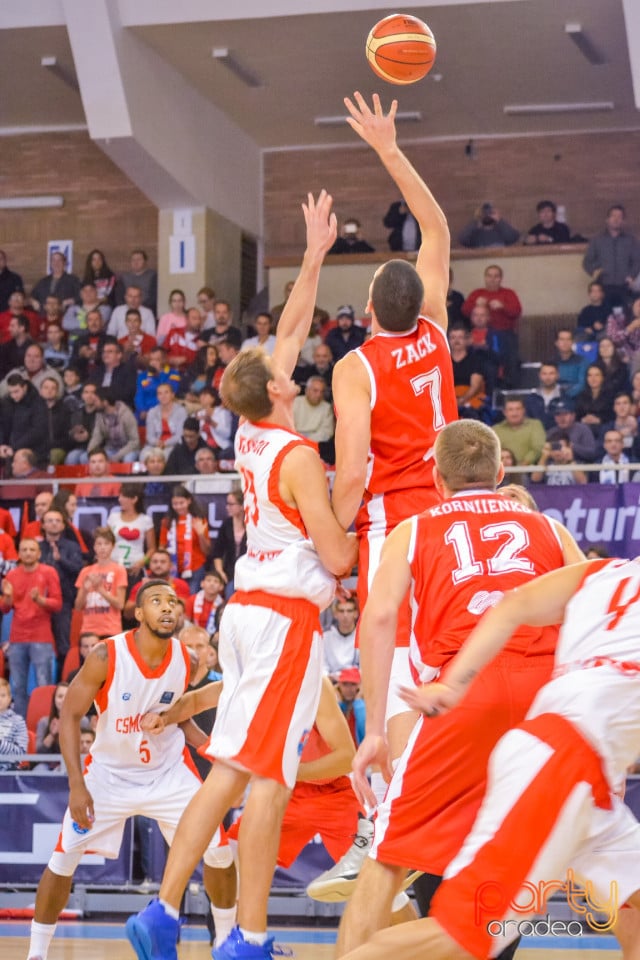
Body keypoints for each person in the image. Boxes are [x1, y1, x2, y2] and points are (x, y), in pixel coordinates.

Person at [126, 188, 357, 960]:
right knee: (265, 781)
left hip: (246, 613)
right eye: (286, 367)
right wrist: (353, 483)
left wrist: (317, 254)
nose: (293, 361)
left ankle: (162, 915)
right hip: (286, 620)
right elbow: (339, 559)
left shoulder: (252, 428)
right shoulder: (294, 453)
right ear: (282, 389)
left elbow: (289, 329)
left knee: (230, 771)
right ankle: (247, 940)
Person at [335, 419, 583, 958]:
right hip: (544, 703)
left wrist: (373, 729)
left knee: (386, 855)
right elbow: (592, 609)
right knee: (506, 860)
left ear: (436, 477)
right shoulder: (549, 528)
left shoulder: (415, 529)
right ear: (500, 471)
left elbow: (378, 620)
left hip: (463, 690)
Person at [361, 558, 640, 960]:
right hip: (563, 763)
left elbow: (514, 603)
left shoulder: (605, 572)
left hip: (565, 759)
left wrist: (453, 685)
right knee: (464, 937)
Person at [329, 92, 457, 837]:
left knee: (394, 655)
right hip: (445, 516)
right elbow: (435, 227)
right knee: (433, 657)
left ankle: (387, 815)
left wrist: (335, 527)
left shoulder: (356, 367)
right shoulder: (437, 333)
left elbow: (350, 474)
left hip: (393, 521)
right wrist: (389, 149)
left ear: (370, 309)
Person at [26, 580, 237, 960]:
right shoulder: (107, 656)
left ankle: (226, 943)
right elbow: (70, 715)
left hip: (168, 771)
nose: (168, 608)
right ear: (138, 613)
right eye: (157, 601)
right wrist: (76, 785)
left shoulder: (187, 659)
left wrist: (206, 745)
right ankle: (36, 954)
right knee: (63, 859)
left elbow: (179, 713)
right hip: (109, 775)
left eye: (173, 602)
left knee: (220, 853)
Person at [0, 539, 62, 718]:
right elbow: (5, 608)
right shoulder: (11, 575)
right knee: (17, 687)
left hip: (41, 637)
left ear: (39, 553)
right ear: (18, 554)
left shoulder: (49, 572)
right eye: (24, 549)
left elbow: (58, 603)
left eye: (32, 549)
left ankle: (44, 724)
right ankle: (21, 729)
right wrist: (9, 597)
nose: (28, 553)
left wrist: (40, 600)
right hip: (17, 637)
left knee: (44, 685)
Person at [38, 508, 84, 673]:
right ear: (43, 525)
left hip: (64, 601)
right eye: (49, 520)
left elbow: (79, 569)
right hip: (39, 603)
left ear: (64, 525)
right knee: (40, 644)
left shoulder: (71, 547)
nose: (54, 523)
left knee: (63, 643)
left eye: (57, 520)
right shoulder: (37, 547)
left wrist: (61, 560)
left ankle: (62, 683)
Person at [461, 265, 522, 389]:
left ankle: (508, 387)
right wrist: (475, 303)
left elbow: (517, 311)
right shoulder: (477, 293)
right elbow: (464, 312)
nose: (492, 279)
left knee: (509, 355)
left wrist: (503, 306)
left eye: (496, 276)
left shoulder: (508, 293)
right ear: (485, 278)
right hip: (478, 334)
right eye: (489, 276)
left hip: (504, 336)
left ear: (501, 279)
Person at [74, 527, 127, 639]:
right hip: (88, 630)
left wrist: (100, 589)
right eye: (99, 544)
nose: (102, 548)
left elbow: (120, 604)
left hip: (111, 630)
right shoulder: (85, 571)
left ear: (112, 546)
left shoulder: (119, 570)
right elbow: (78, 607)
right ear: (94, 547)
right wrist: (84, 590)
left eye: (106, 544)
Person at [583, 203, 640, 306]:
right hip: (604, 285)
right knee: (605, 316)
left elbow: (637, 260)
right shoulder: (597, 239)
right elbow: (587, 261)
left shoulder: (631, 240)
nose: (616, 219)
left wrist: (632, 276)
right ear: (607, 219)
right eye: (613, 216)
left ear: (623, 221)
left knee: (624, 317)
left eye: (619, 217)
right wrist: (593, 272)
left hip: (624, 286)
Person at [158, 485, 211, 591]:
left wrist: (200, 534)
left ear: (189, 501)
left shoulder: (198, 520)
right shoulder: (167, 522)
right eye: (175, 504)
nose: (178, 507)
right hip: (173, 569)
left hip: (195, 569)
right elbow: (162, 548)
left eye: (181, 503)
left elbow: (207, 551)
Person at [123, 548, 191, 621]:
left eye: (163, 562)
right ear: (149, 565)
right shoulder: (141, 585)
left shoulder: (180, 584)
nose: (158, 565)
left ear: (171, 565)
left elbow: (185, 612)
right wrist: (144, 595)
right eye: (155, 562)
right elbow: (127, 614)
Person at [107, 484, 156, 578]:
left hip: (135, 569)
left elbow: (152, 549)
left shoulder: (145, 520)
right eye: (120, 496)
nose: (119, 499)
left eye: (123, 496)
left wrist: (141, 563)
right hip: (114, 567)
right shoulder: (113, 517)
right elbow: (107, 541)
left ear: (134, 499)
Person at [87, 388, 140, 464]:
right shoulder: (99, 415)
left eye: (96, 401)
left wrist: (117, 457)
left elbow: (135, 441)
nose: (94, 403)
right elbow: (96, 436)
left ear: (105, 402)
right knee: (95, 459)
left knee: (128, 460)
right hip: (111, 448)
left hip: (129, 449)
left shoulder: (126, 415)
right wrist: (90, 452)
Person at [211, 488, 247, 597]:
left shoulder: (252, 524)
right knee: (230, 593)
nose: (227, 507)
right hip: (229, 571)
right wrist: (220, 572)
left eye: (231, 504)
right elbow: (217, 552)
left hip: (248, 571)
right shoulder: (226, 524)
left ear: (241, 506)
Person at [492, 397, 545, 466]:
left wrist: (523, 465)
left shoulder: (535, 425)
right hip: (503, 470)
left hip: (530, 470)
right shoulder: (495, 429)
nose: (514, 413)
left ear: (524, 410)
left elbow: (537, 448)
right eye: (510, 410)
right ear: (504, 412)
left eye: (518, 409)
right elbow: (492, 452)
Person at [545, 397, 597, 464]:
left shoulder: (583, 429)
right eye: (558, 415)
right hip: (556, 469)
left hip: (579, 466)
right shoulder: (551, 432)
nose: (562, 418)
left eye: (565, 414)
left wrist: (572, 446)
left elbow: (592, 454)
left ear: (573, 415)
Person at [574, 363, 615, 437]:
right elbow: (577, 414)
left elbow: (613, 415)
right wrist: (583, 419)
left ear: (603, 377)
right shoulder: (581, 395)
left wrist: (599, 420)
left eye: (597, 375)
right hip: (584, 428)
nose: (593, 379)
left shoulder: (611, 395)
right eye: (590, 375)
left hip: (604, 429)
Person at [323, 596, 359, 677]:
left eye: (349, 611)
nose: (345, 615)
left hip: (355, 684)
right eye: (341, 611)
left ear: (356, 614)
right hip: (330, 683)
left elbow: (364, 668)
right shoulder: (326, 637)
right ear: (335, 614)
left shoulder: (363, 637)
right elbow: (322, 667)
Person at [552, 327, 589, 399]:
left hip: (577, 399)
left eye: (568, 339)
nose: (565, 343)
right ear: (556, 343)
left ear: (573, 342)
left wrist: (566, 396)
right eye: (562, 339)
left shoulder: (582, 361)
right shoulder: (551, 362)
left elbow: (582, 384)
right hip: (555, 399)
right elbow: (547, 383)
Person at [117, 250, 158, 315]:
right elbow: (119, 298)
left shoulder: (153, 276)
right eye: (133, 260)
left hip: (146, 310)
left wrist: (139, 307)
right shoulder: (124, 277)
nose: (136, 262)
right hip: (127, 311)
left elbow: (153, 297)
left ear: (145, 261)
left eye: (139, 259)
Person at [0, 677, 28, 768]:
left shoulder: (18, 721)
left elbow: (20, 754)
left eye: (3, 695)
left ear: (9, 698)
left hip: (8, 773)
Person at [335, 667, 366, 747]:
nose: (349, 689)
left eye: (353, 684)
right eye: (345, 684)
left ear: (359, 686)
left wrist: (358, 701)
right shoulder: (335, 706)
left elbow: (364, 735)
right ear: (339, 686)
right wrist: (340, 705)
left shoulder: (363, 708)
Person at [36, 681, 69, 754]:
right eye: (60, 696)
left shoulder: (82, 721)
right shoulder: (44, 722)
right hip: (49, 763)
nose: (63, 700)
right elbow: (38, 754)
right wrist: (52, 735)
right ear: (54, 700)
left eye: (67, 696)